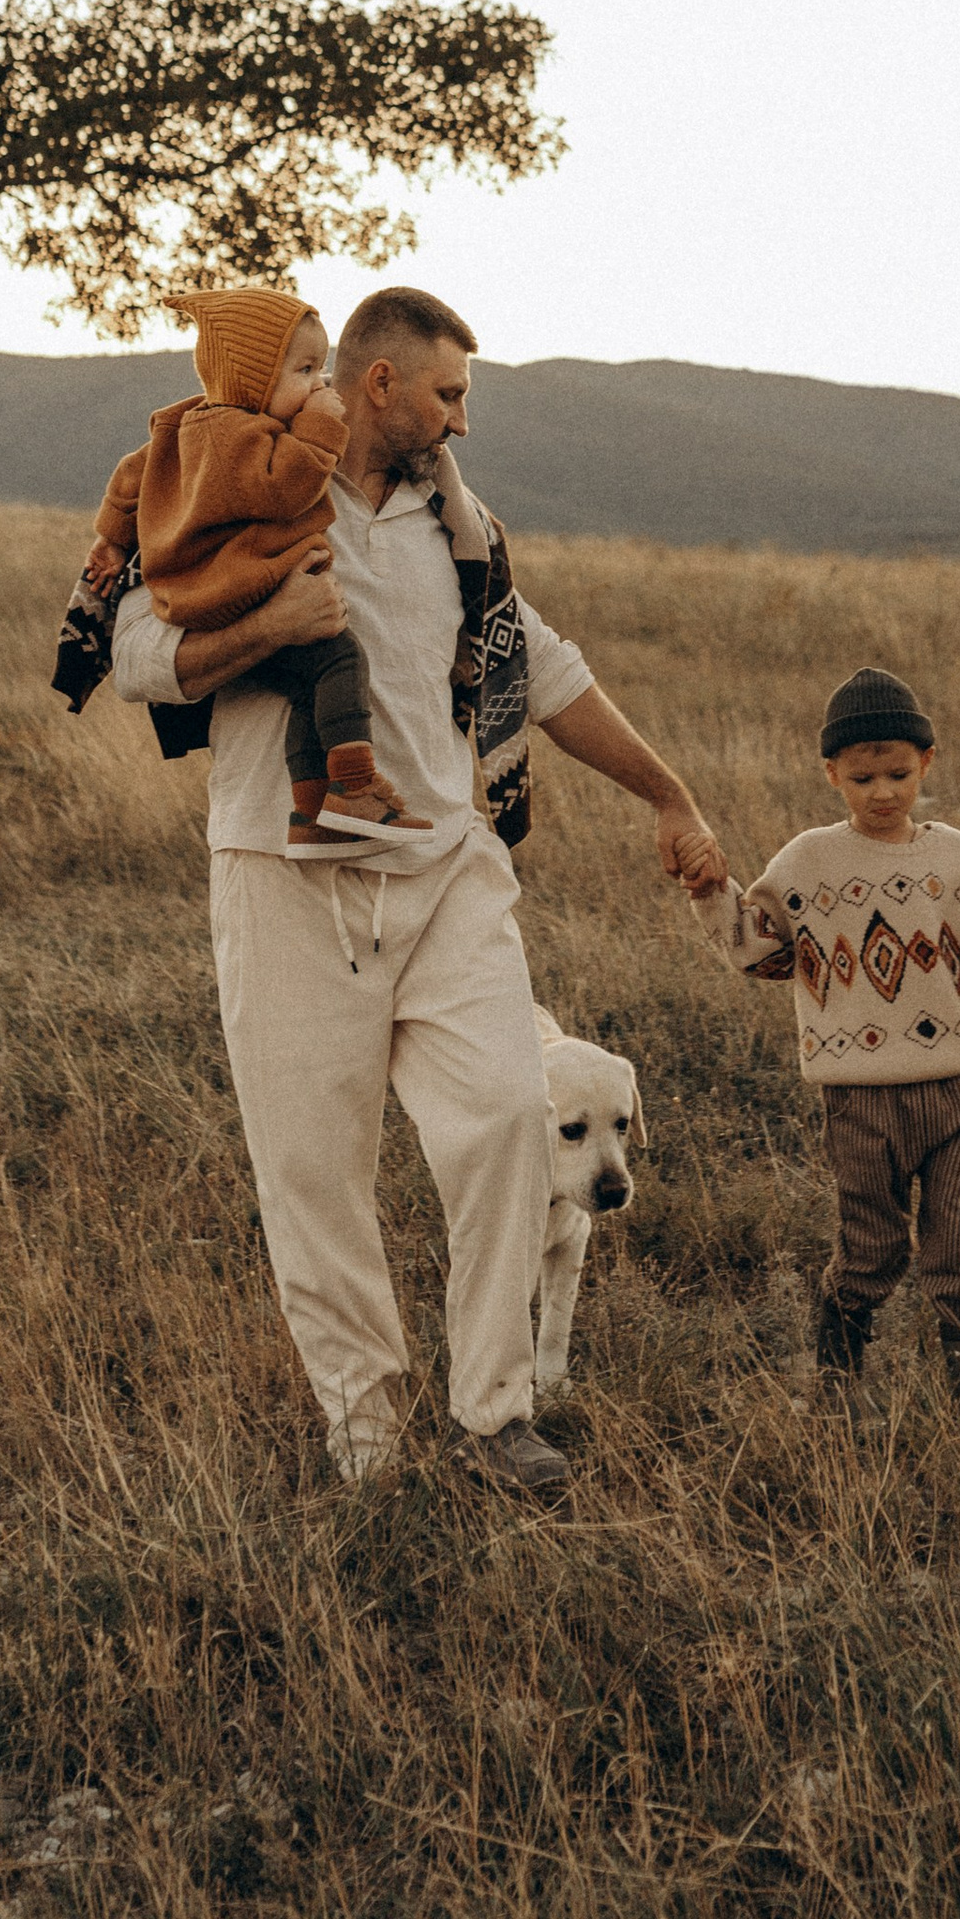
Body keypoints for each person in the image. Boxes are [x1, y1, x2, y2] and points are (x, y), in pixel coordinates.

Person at [112, 282, 727, 1500]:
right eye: (448, 393)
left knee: (506, 1114)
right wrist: (269, 622)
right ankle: (367, 1435)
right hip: (286, 877)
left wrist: (669, 796)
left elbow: (540, 671)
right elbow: (138, 655)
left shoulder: (460, 528)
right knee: (314, 1170)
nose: (462, 419)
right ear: (377, 384)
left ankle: (494, 1410)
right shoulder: (244, 496)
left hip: (449, 868)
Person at [689, 664, 960, 1459]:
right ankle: (837, 1391)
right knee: (872, 1249)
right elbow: (760, 955)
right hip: (859, 1102)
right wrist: (710, 891)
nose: (882, 792)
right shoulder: (806, 863)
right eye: (862, 777)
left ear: (927, 763)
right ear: (832, 774)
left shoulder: (956, 859)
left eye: (899, 773)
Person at [81, 285, 411, 839]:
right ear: (252, 376)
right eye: (304, 370)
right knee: (340, 661)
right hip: (239, 593)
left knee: (310, 683)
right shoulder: (239, 434)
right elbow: (287, 488)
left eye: (321, 369)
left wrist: (112, 541)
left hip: (211, 603)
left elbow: (130, 478)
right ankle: (354, 787)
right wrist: (324, 425)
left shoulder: (184, 425)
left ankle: (313, 813)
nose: (319, 385)